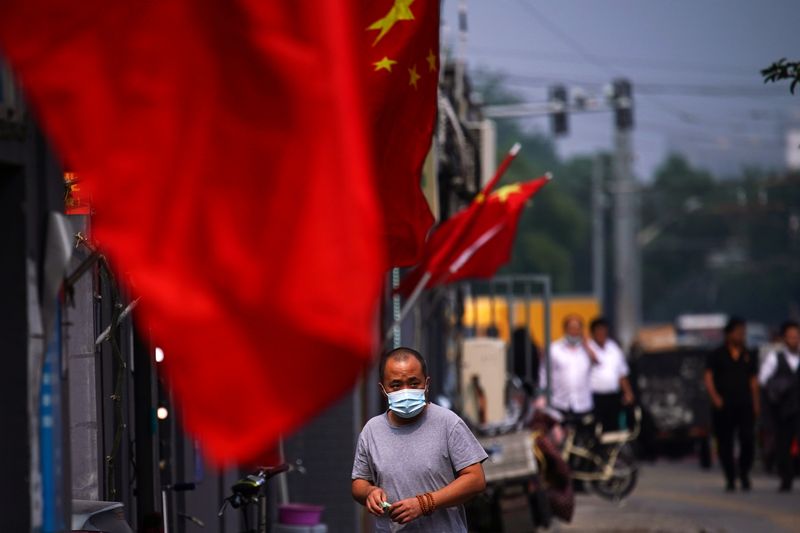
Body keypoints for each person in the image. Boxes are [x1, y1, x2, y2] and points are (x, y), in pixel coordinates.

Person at [351, 347, 487, 531]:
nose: (406, 391)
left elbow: (476, 479)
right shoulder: (371, 431)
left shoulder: (448, 423)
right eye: (396, 385)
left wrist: (425, 503)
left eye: (414, 383)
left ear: (426, 384)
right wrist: (370, 492)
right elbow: (359, 483)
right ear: (383, 389)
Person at [704, 316, 760, 492]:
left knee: (747, 439)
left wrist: (756, 403)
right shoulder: (716, 355)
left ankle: (744, 473)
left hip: (744, 403)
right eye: (737, 332)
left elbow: (753, 381)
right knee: (725, 442)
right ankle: (730, 477)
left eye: (743, 333)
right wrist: (715, 398)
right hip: (723, 404)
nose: (740, 336)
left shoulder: (749, 355)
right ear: (728, 334)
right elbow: (708, 378)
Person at [759, 320, 800, 492]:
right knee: (783, 445)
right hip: (783, 409)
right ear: (784, 339)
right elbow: (763, 380)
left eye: (796, 336)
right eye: (790, 336)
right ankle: (786, 478)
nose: (794, 340)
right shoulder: (775, 358)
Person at [538, 314, 598, 425]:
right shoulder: (554, 349)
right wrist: (543, 394)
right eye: (571, 328)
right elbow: (544, 373)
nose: (574, 331)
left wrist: (586, 345)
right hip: (560, 402)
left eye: (577, 328)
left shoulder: (588, 349)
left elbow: (598, 362)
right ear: (565, 329)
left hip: (583, 403)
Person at [588, 317, 635, 432]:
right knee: (596, 427)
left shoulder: (613, 348)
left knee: (613, 426)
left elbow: (622, 373)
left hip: (612, 395)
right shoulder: (588, 348)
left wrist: (628, 392)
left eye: (603, 331)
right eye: (598, 331)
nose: (601, 334)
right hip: (594, 397)